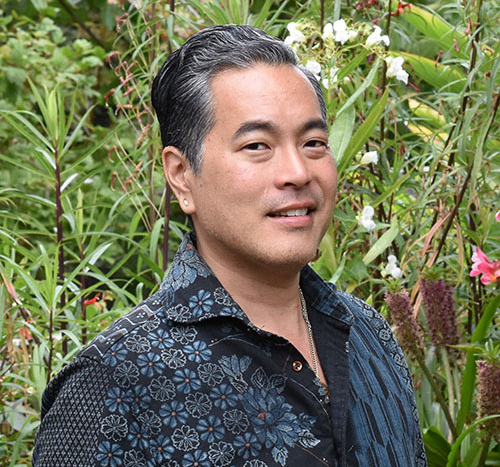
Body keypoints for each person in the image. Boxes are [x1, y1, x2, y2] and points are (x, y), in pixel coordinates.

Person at [33, 25, 427, 467]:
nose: (297, 171)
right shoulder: (112, 384)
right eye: (257, 145)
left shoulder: (368, 335)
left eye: (314, 143)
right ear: (182, 175)